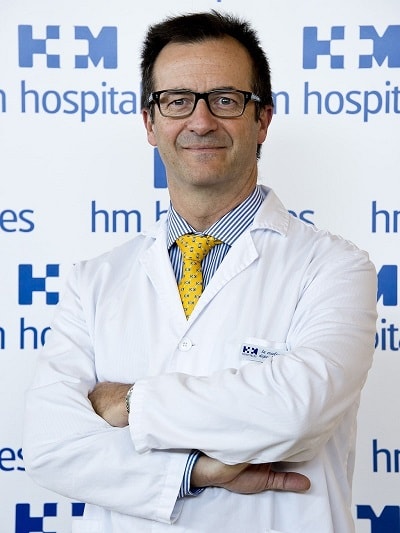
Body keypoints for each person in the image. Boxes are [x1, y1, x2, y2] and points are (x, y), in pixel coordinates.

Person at [23, 10, 377, 533]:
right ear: (150, 123)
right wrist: (195, 471)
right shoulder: (93, 281)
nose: (202, 121)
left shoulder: (335, 268)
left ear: (262, 120)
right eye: (177, 100)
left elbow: (295, 412)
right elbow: (51, 444)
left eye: (226, 100)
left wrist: (127, 402)